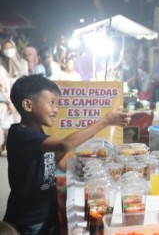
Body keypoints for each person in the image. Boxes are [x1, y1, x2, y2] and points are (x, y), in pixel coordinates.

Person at [3, 74, 132, 234]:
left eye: (57, 104)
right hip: (29, 220)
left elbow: (59, 162)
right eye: (51, 103)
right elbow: (64, 145)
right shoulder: (20, 134)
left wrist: (91, 162)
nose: (56, 109)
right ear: (28, 105)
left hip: (46, 213)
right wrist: (104, 121)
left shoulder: (38, 132)